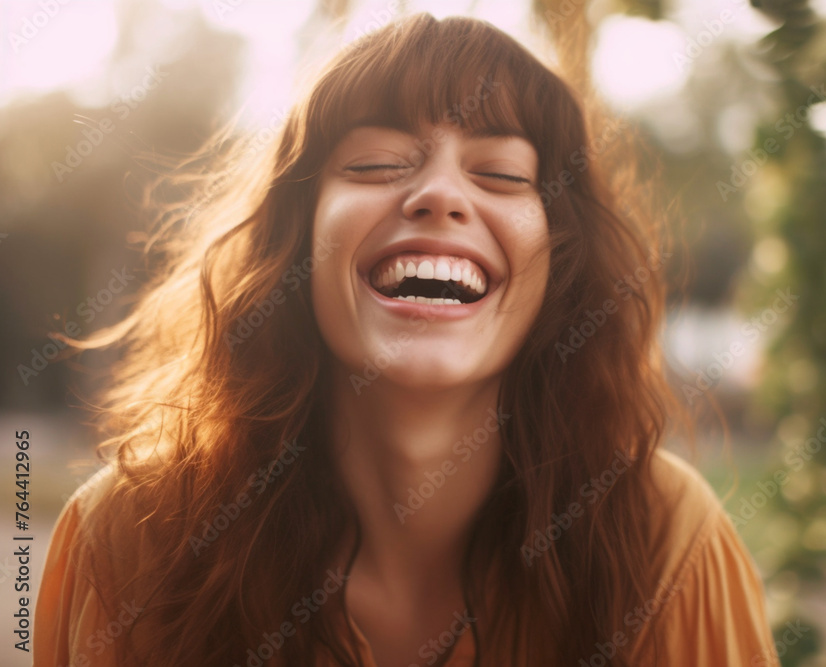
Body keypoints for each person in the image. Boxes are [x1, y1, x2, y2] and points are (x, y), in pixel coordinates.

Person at [36, 12, 777, 667]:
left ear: (562, 259)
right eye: (377, 163)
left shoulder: (664, 548)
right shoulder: (130, 542)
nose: (441, 194)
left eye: (500, 172)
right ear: (294, 242)